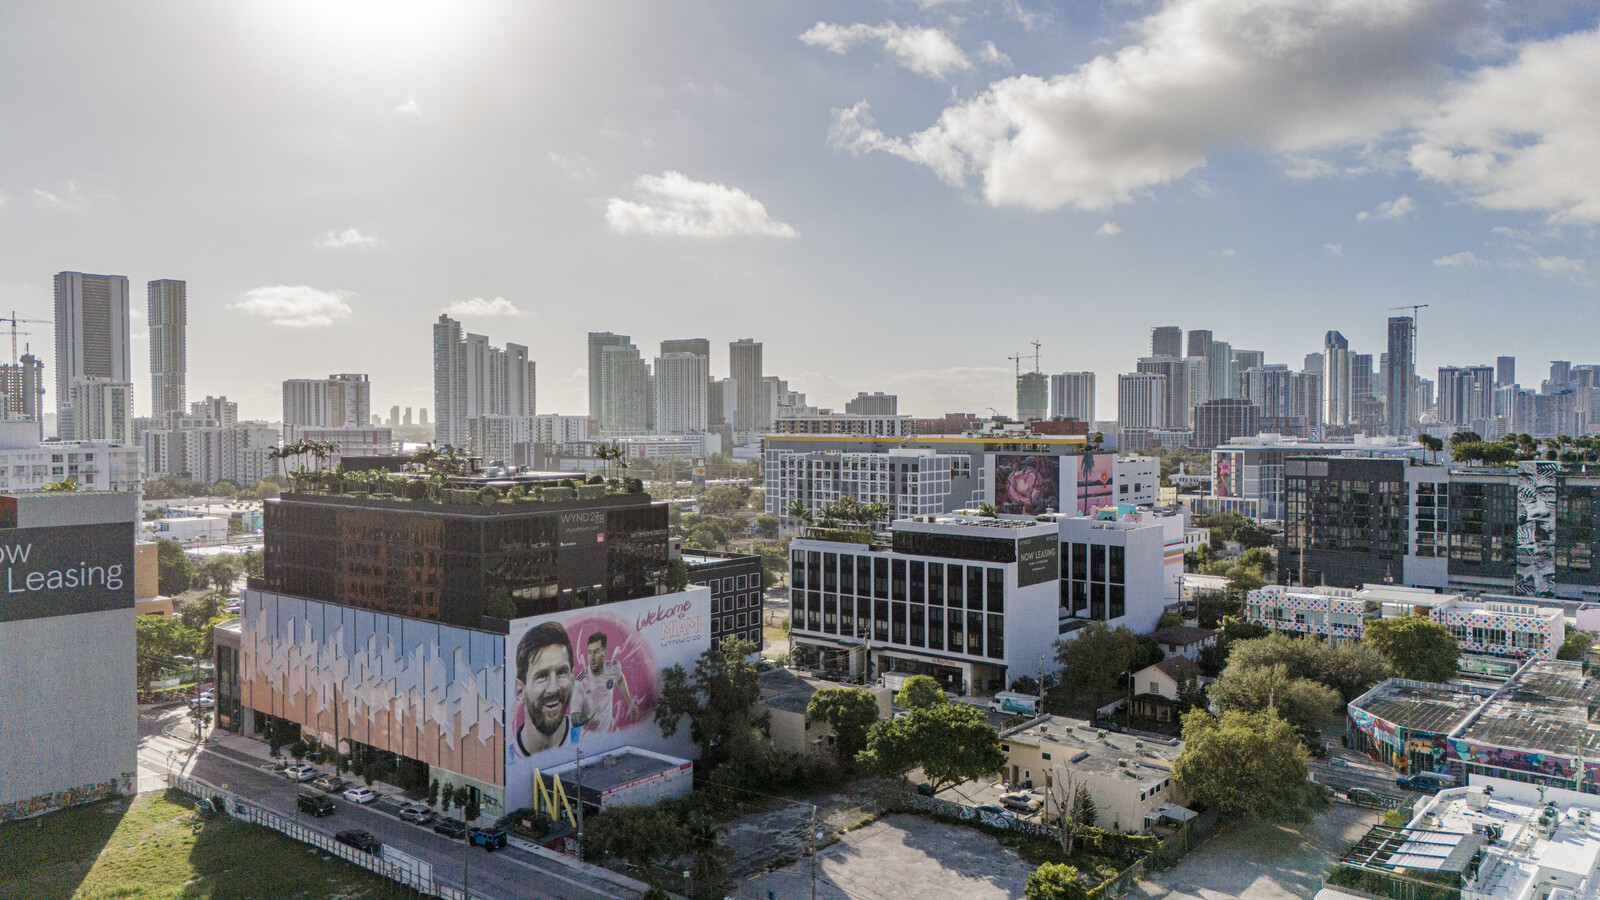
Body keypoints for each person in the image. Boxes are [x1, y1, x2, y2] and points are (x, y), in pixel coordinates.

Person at [513, 621, 574, 758]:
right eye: (542, 676)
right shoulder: (503, 756)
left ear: (572, 680)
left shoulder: (591, 735)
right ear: (520, 691)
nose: (553, 688)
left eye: (561, 673)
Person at [571, 631, 639, 735]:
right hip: (590, 739)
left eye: (596, 651)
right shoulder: (581, 682)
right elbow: (574, 720)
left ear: (604, 653)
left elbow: (620, 679)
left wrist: (630, 703)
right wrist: (588, 717)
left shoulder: (613, 668)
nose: (592, 657)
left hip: (610, 733)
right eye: (589, 652)